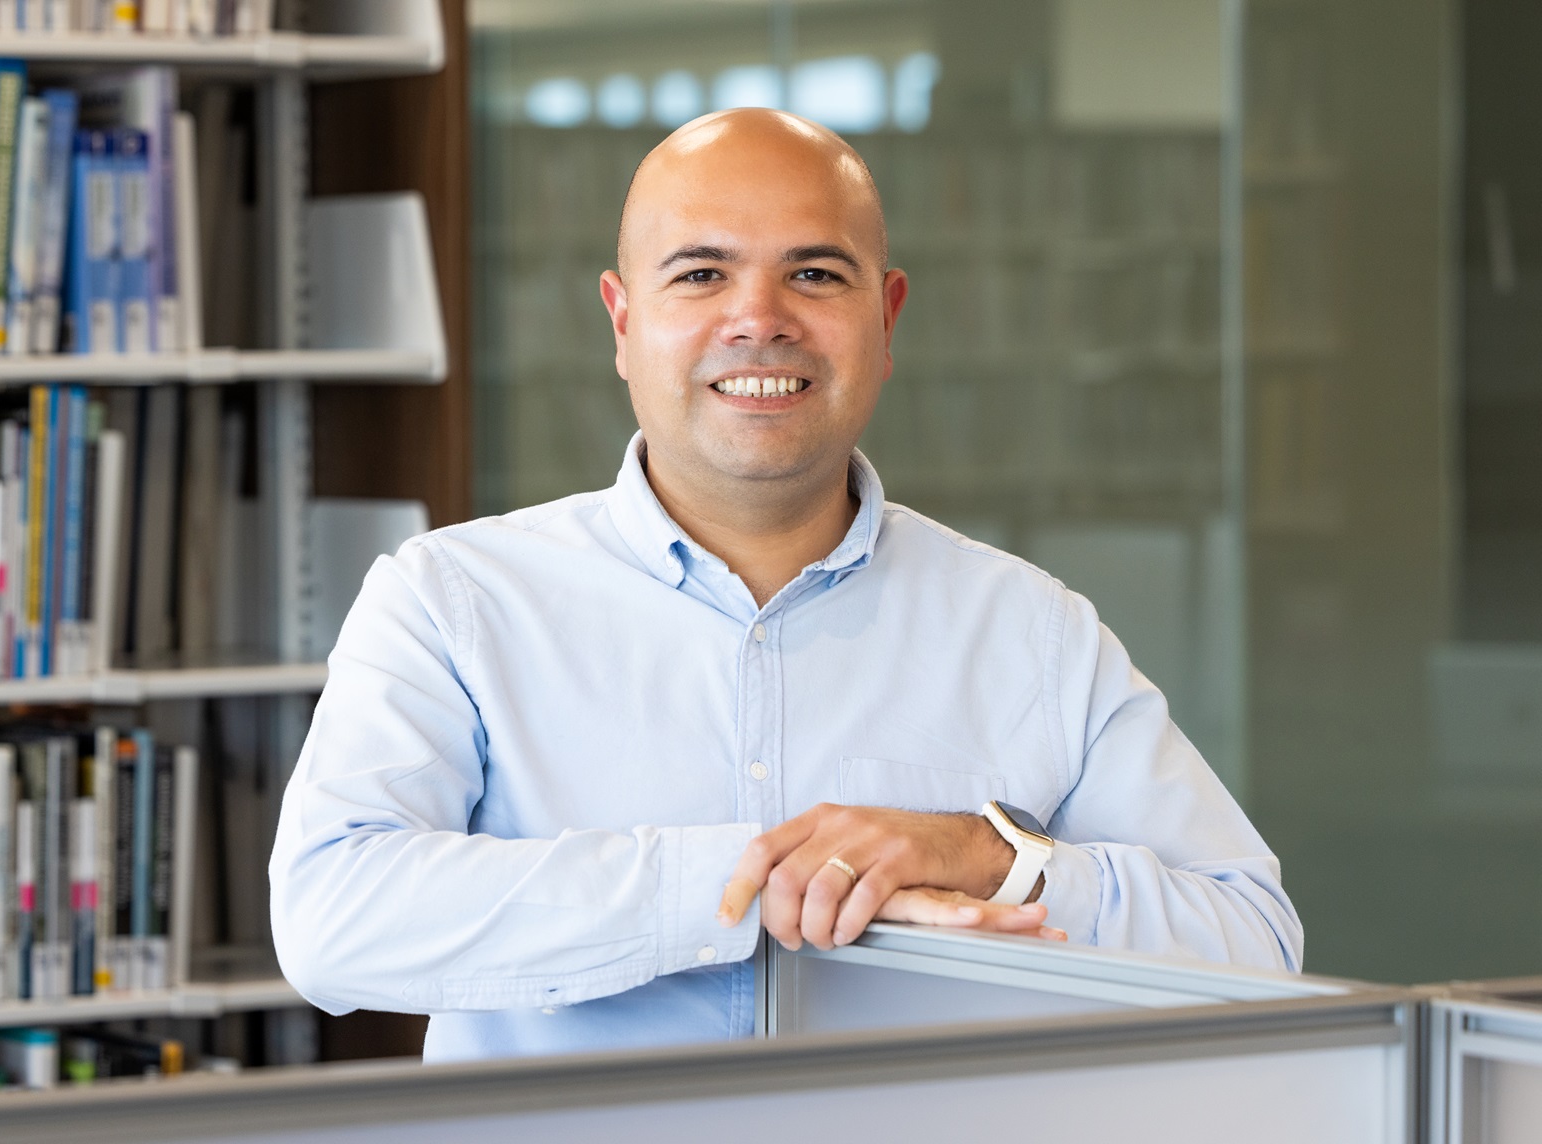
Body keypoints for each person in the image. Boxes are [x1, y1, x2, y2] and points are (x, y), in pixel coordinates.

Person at [269, 108, 1301, 1063]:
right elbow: (331, 917)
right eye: (701, 275)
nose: (759, 319)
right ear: (622, 321)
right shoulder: (452, 599)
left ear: (886, 318)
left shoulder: (1030, 629)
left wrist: (990, 856)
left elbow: (1255, 944)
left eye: (814, 274)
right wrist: (743, 882)